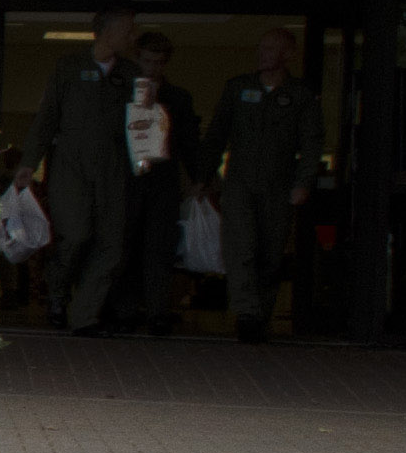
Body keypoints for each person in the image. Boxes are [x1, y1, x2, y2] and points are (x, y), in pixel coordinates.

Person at [31, 13, 145, 336]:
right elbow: (47, 117)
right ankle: (57, 292)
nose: (133, 35)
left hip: (115, 170)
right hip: (71, 168)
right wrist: (29, 163)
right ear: (106, 32)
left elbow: (143, 126)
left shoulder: (132, 74)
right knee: (76, 234)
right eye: (128, 29)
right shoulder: (68, 67)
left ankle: (84, 315)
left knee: (111, 244)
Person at [212, 26, 323, 344]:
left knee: (270, 254)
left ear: (288, 55)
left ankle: (261, 314)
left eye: (271, 49)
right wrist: (206, 175)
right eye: (261, 48)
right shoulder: (237, 88)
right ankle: (246, 314)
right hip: (240, 184)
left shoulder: (301, 95)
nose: (263, 54)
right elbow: (217, 134)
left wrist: (303, 182)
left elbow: (312, 143)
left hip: (279, 186)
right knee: (241, 248)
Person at [119, 29, 206, 335]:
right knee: (127, 243)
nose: (152, 68)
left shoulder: (177, 97)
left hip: (162, 179)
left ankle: (157, 310)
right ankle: (126, 309)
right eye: (147, 61)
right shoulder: (122, 91)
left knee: (159, 247)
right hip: (127, 179)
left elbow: (189, 141)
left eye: (158, 62)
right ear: (137, 59)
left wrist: (198, 178)